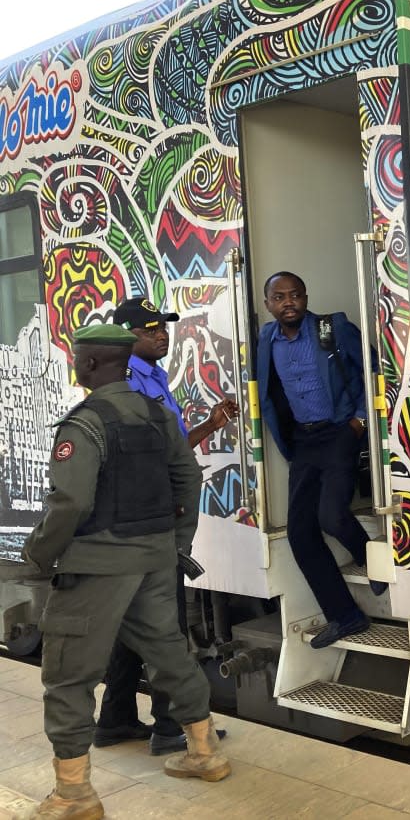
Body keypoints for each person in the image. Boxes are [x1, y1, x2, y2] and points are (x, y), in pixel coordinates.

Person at [21, 324, 230, 820]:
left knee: (69, 677)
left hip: (97, 567)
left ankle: (74, 797)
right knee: (168, 652)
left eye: (77, 356)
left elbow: (70, 502)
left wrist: (38, 555)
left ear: (90, 365)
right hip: (155, 560)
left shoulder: (85, 423)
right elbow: (189, 477)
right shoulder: (158, 415)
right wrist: (177, 542)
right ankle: (204, 753)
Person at [94, 297, 238, 755]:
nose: (162, 334)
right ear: (126, 336)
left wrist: (209, 426)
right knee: (165, 624)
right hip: (149, 523)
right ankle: (171, 726)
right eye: (150, 328)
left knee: (135, 622)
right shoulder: (128, 383)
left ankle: (115, 721)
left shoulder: (152, 377)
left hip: (151, 518)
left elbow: (170, 447)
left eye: (164, 327)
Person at [256, 271, 385, 649]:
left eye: (295, 295)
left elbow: (373, 369)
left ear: (306, 297)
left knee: (331, 515)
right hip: (303, 440)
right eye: (279, 297)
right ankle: (345, 617)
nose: (288, 302)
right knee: (300, 533)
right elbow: (267, 390)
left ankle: (370, 559)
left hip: (339, 432)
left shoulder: (333, 328)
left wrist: (360, 419)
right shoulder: (266, 339)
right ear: (268, 304)